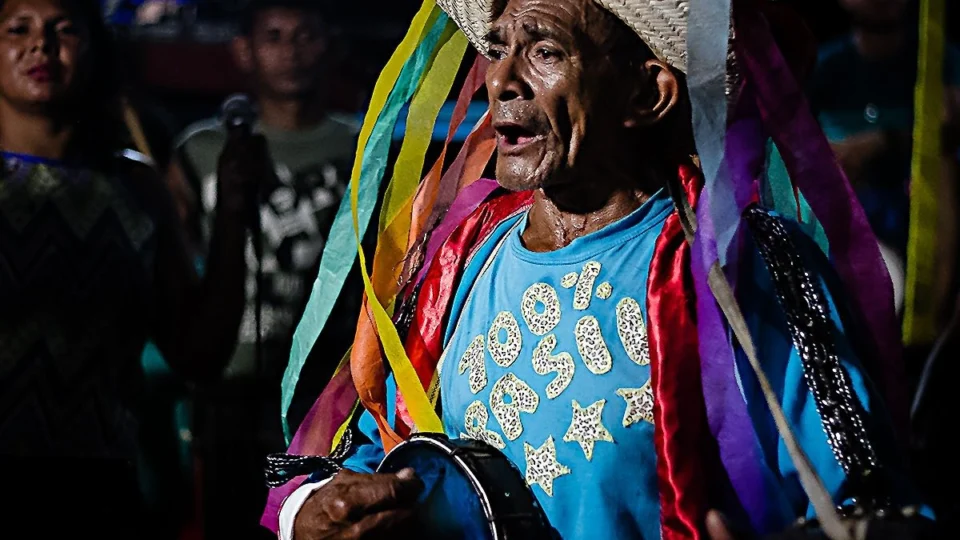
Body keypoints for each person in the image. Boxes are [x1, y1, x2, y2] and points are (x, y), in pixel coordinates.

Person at [271, 0, 934, 538]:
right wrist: (320, 511)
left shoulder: (741, 270)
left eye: (546, 51)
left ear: (648, 92)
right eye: (498, 47)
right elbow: (372, 452)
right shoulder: (462, 259)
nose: (502, 81)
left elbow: (872, 509)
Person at [0, 0, 266, 534]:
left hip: (101, 486)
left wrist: (233, 216)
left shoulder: (136, 187)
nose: (40, 45)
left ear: (96, 49)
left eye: (63, 29)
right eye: (17, 28)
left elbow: (198, 352)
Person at [167, 0, 360, 536]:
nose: (290, 52)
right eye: (274, 36)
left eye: (305, 36)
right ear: (243, 51)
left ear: (331, 45)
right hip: (229, 382)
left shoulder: (364, 144)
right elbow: (171, 260)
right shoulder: (203, 148)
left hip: (328, 383)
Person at [808, 0, 960, 338]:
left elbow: (948, 133)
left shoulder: (937, 62)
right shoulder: (825, 66)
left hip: (921, 226)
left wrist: (885, 142)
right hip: (848, 224)